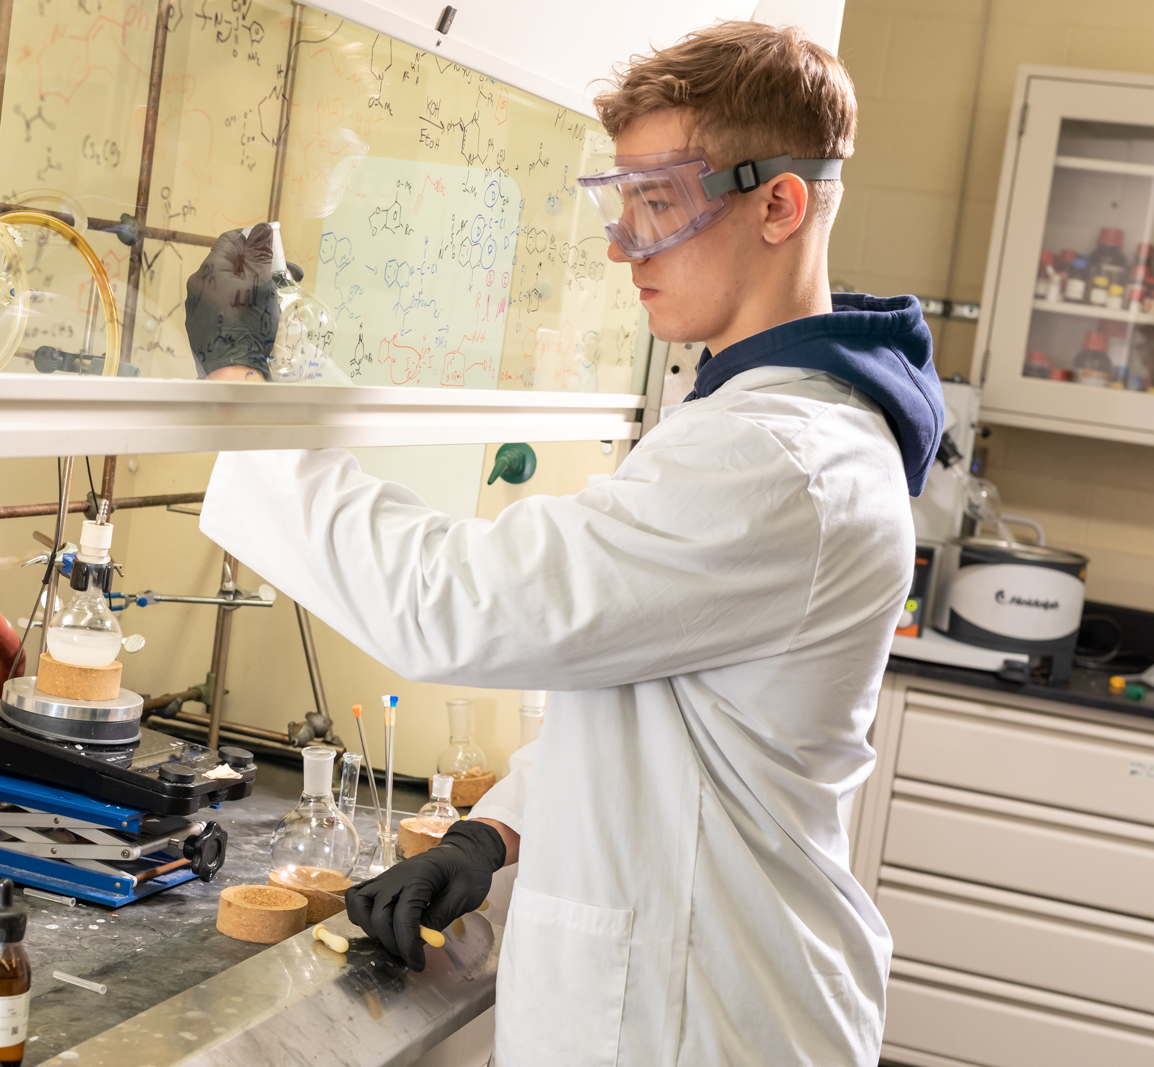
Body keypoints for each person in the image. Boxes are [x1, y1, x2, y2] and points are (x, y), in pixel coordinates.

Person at [199, 20, 943, 1066]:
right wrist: (491, 830)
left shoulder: (776, 458)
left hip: (707, 1022)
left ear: (778, 203)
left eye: (658, 201)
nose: (617, 244)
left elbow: (458, 603)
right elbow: (664, 712)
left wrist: (240, 390)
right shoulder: (755, 427)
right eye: (618, 198)